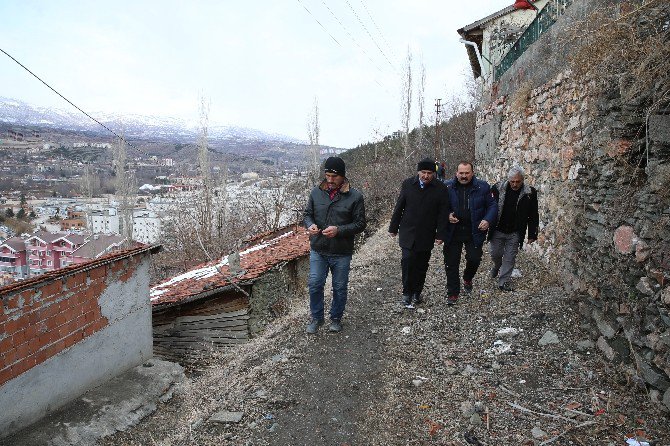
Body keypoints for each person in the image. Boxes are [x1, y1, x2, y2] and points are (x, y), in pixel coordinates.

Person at [303, 156, 366, 334]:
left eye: (334, 177)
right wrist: (310, 225)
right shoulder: (315, 193)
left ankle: (336, 318)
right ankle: (317, 318)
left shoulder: (355, 196)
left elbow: (360, 224)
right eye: (327, 175)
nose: (330, 180)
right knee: (315, 284)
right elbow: (307, 214)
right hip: (318, 248)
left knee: (339, 286)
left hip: (341, 251)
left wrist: (339, 230)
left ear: (343, 177)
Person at [388, 158, 449, 308]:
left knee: (422, 264)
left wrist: (440, 234)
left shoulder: (440, 188)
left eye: (429, 173)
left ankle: (417, 291)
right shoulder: (408, 184)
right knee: (407, 261)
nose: (426, 176)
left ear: (434, 174)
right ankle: (406, 293)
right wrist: (393, 227)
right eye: (423, 173)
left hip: (426, 232)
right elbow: (399, 206)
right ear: (418, 172)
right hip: (408, 230)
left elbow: (443, 213)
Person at [443, 161, 497, 305]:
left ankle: (468, 277)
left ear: (472, 173)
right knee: (451, 263)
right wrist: (447, 215)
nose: (464, 176)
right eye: (461, 173)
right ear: (456, 173)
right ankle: (453, 293)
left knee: (474, 259)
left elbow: (492, 205)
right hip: (453, 231)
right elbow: (440, 206)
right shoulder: (447, 187)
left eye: (467, 173)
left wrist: (487, 219)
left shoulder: (483, 186)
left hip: (474, 230)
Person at [488, 165, 539, 291]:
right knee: (495, 254)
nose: (515, 184)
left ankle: (503, 282)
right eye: (512, 181)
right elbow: (488, 206)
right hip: (498, 229)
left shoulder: (530, 193)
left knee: (510, 257)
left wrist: (532, 234)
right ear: (508, 179)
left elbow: (533, 214)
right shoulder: (497, 188)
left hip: (515, 232)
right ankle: (497, 265)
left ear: (522, 180)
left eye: (518, 181)